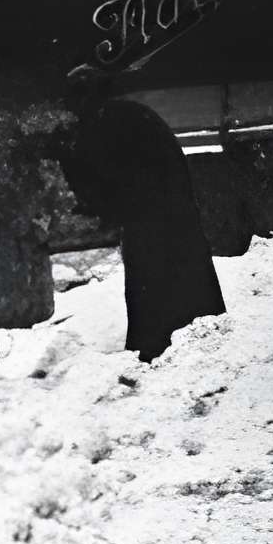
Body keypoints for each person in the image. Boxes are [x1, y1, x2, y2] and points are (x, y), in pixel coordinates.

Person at [58, 94, 229, 358]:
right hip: (166, 209)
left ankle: (159, 346)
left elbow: (99, 196)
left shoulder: (91, 134)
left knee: (154, 280)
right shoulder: (122, 116)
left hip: (149, 214)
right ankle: (191, 337)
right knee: (182, 273)